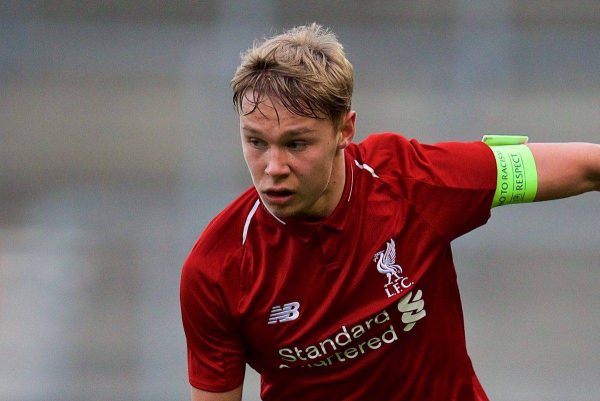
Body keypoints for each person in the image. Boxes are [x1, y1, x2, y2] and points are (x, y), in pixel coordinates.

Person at [180, 23, 600, 401]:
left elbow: (586, 166)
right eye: (256, 142)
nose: (273, 167)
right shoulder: (217, 270)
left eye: (296, 144)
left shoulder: (412, 181)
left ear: (345, 130)